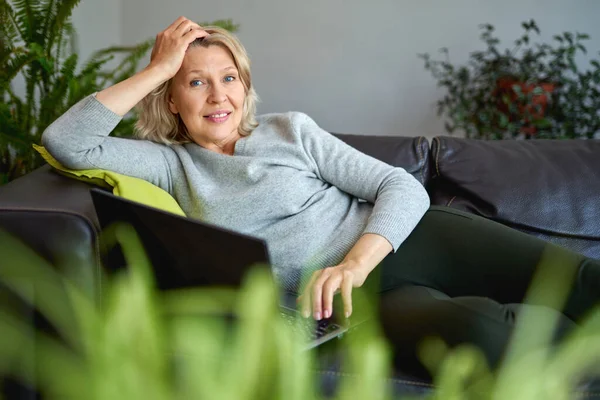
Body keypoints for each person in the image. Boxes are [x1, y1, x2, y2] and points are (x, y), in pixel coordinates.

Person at [43, 17, 600, 377]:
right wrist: (159, 64)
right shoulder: (169, 166)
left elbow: (399, 184)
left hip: (408, 241)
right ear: (172, 99)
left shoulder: (289, 130)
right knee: (489, 337)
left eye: (229, 77)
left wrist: (354, 264)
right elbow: (67, 142)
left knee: (577, 281)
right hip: (350, 309)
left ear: (245, 84)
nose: (219, 95)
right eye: (195, 81)